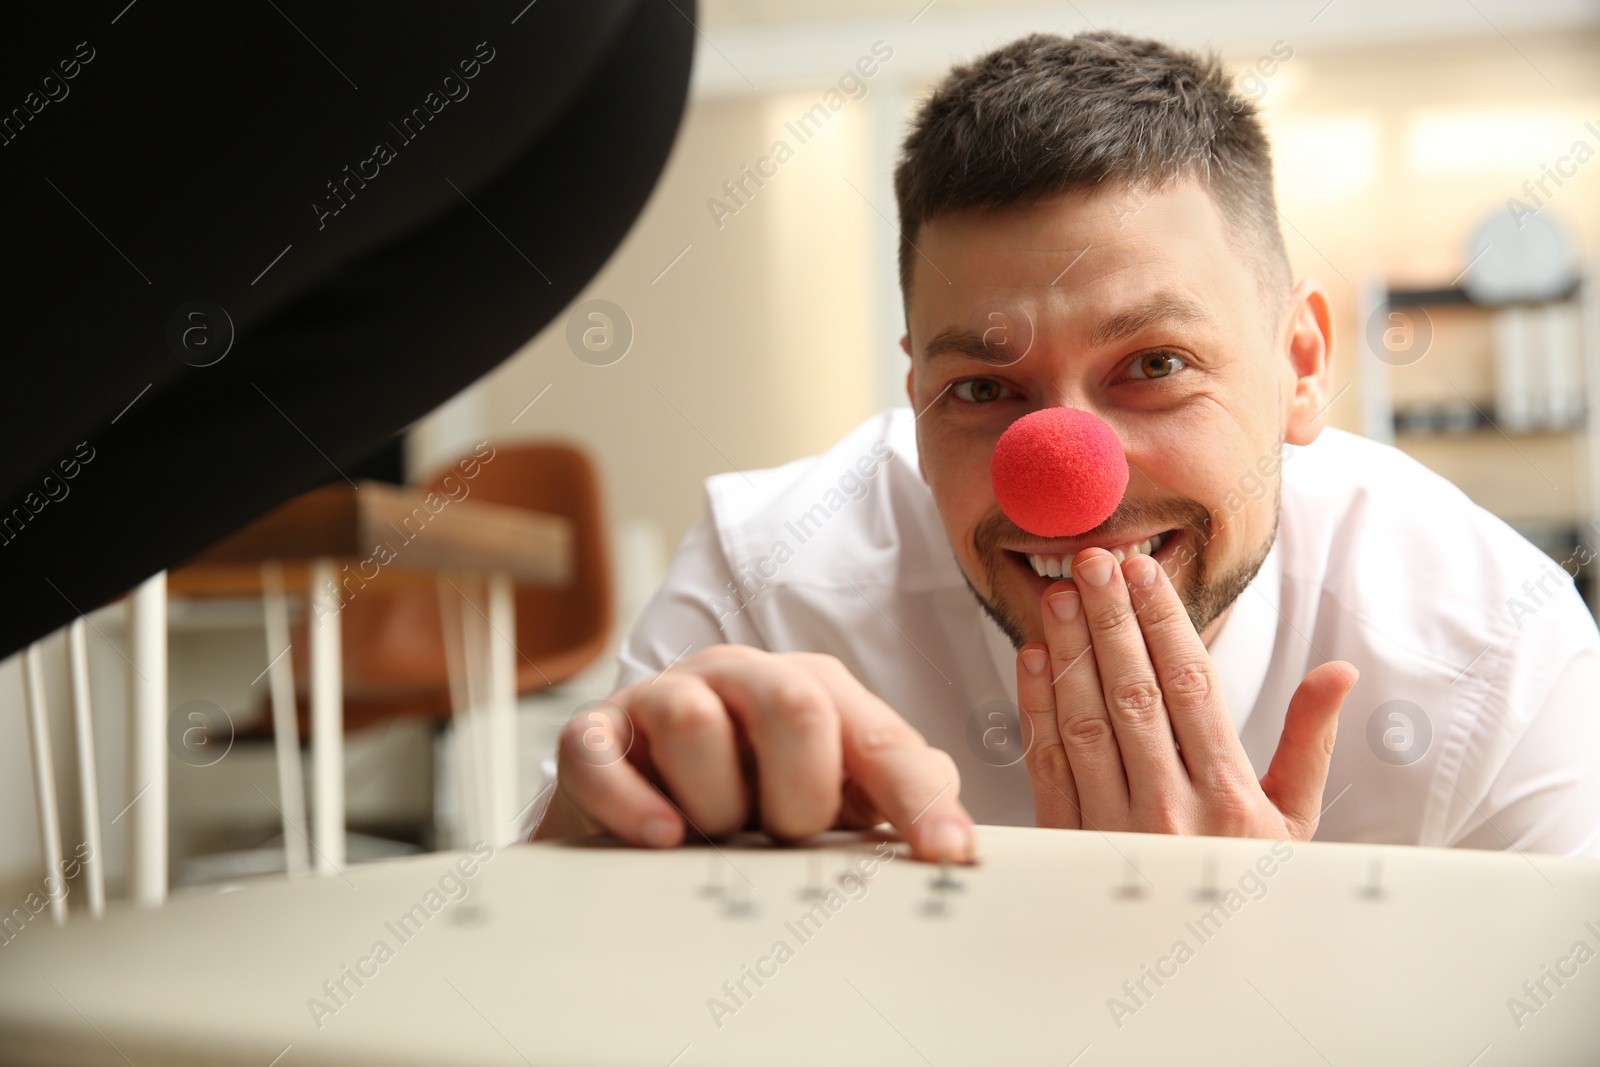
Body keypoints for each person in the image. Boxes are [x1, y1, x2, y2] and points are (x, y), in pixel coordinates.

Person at [533, 31, 1600, 862]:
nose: (1062, 486)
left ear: (1300, 364)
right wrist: (578, 854)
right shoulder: (763, 587)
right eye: (983, 388)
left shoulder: (1499, 657)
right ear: (912, 393)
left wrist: (1259, 968)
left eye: (1153, 364)